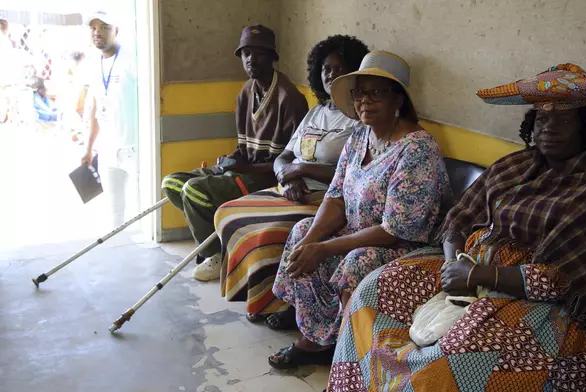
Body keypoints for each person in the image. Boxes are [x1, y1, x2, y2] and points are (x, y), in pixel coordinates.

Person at [327, 64, 586, 391]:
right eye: (542, 119)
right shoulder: (513, 166)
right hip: (471, 268)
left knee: (456, 354)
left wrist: (481, 277)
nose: (549, 128)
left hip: (545, 298)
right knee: (373, 289)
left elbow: (565, 281)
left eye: (563, 120)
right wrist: (454, 265)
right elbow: (458, 220)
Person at [267, 51, 454, 369]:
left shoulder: (418, 150)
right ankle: (319, 336)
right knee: (301, 232)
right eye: (359, 92)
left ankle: (344, 352)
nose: (365, 100)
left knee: (357, 261)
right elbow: (336, 197)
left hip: (406, 247)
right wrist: (311, 240)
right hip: (359, 233)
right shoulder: (358, 138)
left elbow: (396, 230)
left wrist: (324, 247)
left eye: (377, 92)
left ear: (398, 100)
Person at [213, 35, 369, 325]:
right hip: (292, 189)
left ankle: (279, 304)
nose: (331, 74)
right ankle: (260, 293)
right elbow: (284, 156)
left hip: (327, 198)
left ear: (354, 73)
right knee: (228, 212)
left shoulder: (360, 118)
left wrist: (302, 171)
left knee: (262, 232)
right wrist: (287, 177)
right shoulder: (317, 112)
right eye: (325, 68)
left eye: (338, 68)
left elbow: (351, 174)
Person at [162, 25, 309, 282]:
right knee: (173, 183)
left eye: (258, 53)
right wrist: (231, 160)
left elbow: (291, 161)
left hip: (268, 178)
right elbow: (243, 148)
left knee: (194, 191)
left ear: (273, 56)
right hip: (246, 169)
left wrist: (244, 169)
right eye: (245, 54)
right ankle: (222, 242)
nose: (251, 59)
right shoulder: (245, 92)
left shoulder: (290, 98)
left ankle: (217, 255)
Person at [80, 11, 138, 229]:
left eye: (104, 27)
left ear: (116, 31)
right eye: (93, 28)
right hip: (107, 149)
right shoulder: (92, 64)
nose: (98, 33)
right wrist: (89, 149)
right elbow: (95, 108)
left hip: (134, 148)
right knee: (115, 213)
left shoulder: (132, 60)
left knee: (142, 210)